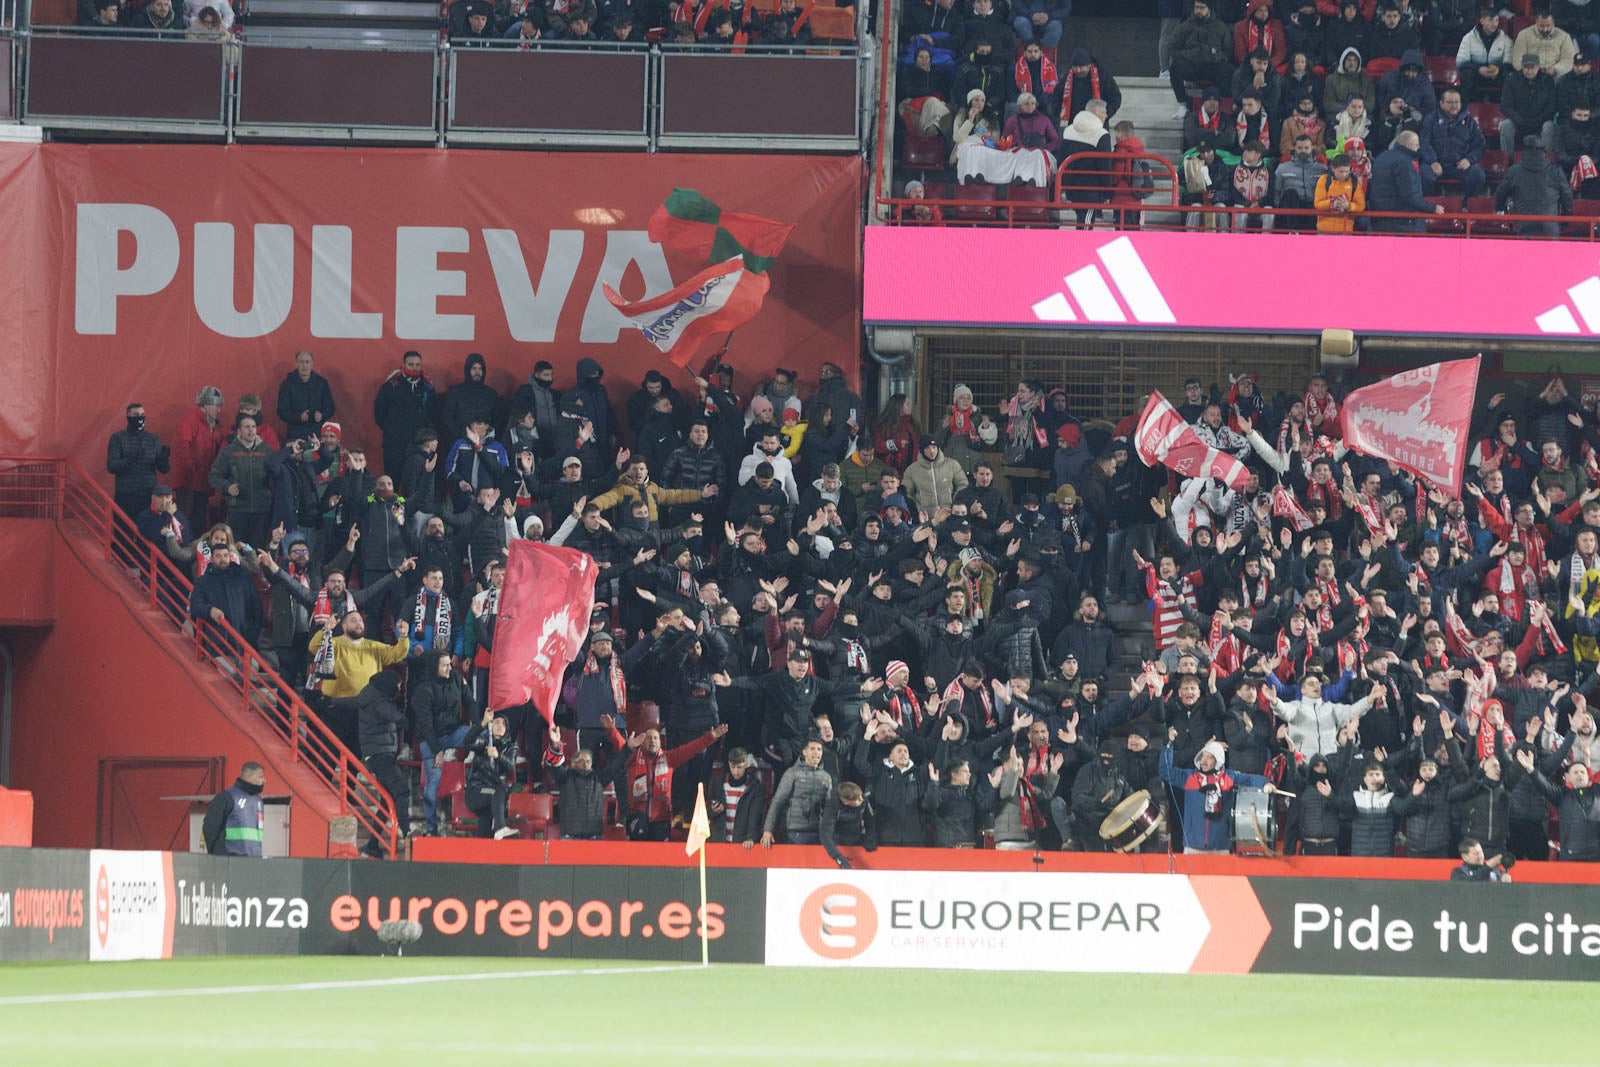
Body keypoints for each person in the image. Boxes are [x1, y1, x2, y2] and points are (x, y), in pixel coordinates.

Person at [1159, 735, 1278, 853]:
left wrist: (1266, 783)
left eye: (1209, 757)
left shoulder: (1229, 777)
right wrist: (1168, 745)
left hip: (1221, 847)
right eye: (1202, 756)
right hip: (1193, 846)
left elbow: (1249, 779)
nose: (1204, 760)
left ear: (1218, 760)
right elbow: (1165, 771)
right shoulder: (1189, 777)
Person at [409, 649, 477, 835]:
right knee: (433, 783)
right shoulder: (422, 690)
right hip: (431, 738)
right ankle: (431, 828)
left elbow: (470, 702)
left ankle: (473, 782)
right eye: (445, 665)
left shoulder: (456, 678)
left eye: (450, 664)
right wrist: (437, 750)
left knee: (484, 738)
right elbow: (425, 725)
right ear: (434, 667)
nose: (450, 668)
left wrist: (479, 725)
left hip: (454, 731)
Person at [373, 350, 437, 479]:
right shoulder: (391, 386)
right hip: (394, 444)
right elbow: (379, 412)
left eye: (417, 365)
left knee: (416, 482)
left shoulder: (427, 387)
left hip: (418, 444)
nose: (415, 368)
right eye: (411, 364)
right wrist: (391, 430)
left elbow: (432, 414)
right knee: (393, 479)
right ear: (404, 365)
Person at [1418, 87, 1488, 201]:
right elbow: (1424, 142)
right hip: (1435, 163)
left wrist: (1469, 160)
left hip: (1458, 164)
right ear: (1441, 104)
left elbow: (1479, 145)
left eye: (1456, 102)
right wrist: (1432, 161)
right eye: (1450, 102)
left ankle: (1467, 205)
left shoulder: (1470, 122)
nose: (1454, 105)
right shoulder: (1430, 119)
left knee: (1477, 175)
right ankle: (1429, 205)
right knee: (1423, 175)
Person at [1169, 0, 1236, 116]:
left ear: (1209, 9)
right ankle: (1183, 104)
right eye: (1196, 7)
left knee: (1229, 70)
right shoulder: (1185, 26)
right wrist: (1189, 54)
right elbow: (1172, 48)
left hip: (1213, 66)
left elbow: (1227, 51)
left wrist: (1215, 55)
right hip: (1192, 65)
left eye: (1202, 8)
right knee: (1175, 68)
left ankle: (1219, 105)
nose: (1198, 11)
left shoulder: (1220, 26)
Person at [107, 401, 171, 519]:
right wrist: (131, 459)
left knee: (146, 528)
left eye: (142, 414)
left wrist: (164, 459)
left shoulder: (153, 439)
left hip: (148, 494)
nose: (140, 417)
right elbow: (111, 466)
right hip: (126, 495)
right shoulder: (118, 438)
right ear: (128, 416)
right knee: (123, 529)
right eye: (136, 415)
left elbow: (163, 469)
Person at [172, 386, 226, 526]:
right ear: (206, 405)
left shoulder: (215, 426)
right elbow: (182, 448)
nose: (219, 410)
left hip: (203, 483)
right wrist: (191, 471)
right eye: (217, 406)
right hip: (189, 483)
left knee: (199, 522)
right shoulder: (190, 421)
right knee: (186, 521)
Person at [1495, 140, 1573, 234]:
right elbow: (1567, 197)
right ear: (1544, 152)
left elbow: (1500, 194)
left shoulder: (1514, 171)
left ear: (1524, 151)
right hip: (1550, 227)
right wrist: (1565, 219)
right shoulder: (1556, 171)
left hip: (1524, 225)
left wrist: (1499, 208)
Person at [1369, 129, 1442, 230]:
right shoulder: (1405, 163)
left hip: (1378, 219)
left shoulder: (1381, 156)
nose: (1418, 148)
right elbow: (1409, 195)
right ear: (1408, 145)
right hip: (1402, 221)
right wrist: (1432, 208)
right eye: (1417, 145)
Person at [464, 710, 519, 838]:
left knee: (485, 831)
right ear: (491, 726)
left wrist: (497, 756)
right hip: (476, 791)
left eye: (503, 724)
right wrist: (483, 722)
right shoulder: (483, 743)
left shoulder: (511, 747)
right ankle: (500, 828)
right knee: (498, 790)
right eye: (497, 722)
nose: (500, 726)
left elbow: (510, 766)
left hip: (492, 798)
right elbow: (467, 741)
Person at [202, 762, 266, 856]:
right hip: (230, 859)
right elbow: (210, 827)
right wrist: (217, 856)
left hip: (254, 859)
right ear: (249, 777)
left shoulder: (258, 800)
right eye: (260, 777)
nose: (264, 781)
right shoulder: (227, 797)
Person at [1501, 53, 1559, 154]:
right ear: (1522, 67)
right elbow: (1506, 106)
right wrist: (1520, 120)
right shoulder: (1512, 79)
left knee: (1549, 126)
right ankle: (1507, 159)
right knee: (1506, 125)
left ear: (1538, 67)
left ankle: (1546, 158)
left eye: (1533, 68)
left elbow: (1551, 105)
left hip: (1540, 121)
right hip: (1518, 121)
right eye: (1526, 67)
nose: (1529, 71)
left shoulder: (1547, 80)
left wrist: (1538, 120)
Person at [275, 350, 336, 444]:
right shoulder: (287, 385)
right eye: (301, 362)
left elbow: (330, 408)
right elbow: (281, 411)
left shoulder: (322, 383)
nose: (304, 365)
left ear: (312, 364)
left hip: (318, 433)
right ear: (296, 364)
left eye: (307, 362)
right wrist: (298, 417)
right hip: (295, 434)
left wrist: (322, 415)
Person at [1457, 7, 1512, 100]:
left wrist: (1498, 69)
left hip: (1496, 75)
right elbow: (1461, 62)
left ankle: (1501, 105)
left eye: (1496, 20)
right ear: (1482, 21)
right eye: (1490, 20)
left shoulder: (1505, 39)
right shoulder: (1468, 38)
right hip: (1476, 74)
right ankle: (1469, 105)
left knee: (1509, 75)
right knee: (1465, 75)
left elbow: (1509, 62)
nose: (1494, 24)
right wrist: (1478, 69)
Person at [1061, 49, 1122, 124]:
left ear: (1089, 65)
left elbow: (1115, 97)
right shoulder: (1067, 78)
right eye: (1075, 67)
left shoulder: (1103, 76)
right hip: (1074, 124)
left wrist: (1105, 113)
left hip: (1098, 124)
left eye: (1081, 67)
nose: (1078, 70)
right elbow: (1056, 97)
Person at [1314, 152, 1366, 231]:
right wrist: (1332, 203)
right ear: (1333, 169)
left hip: (1346, 229)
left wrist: (1348, 206)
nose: (1344, 174)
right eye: (1341, 171)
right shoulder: (1323, 180)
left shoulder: (1354, 182)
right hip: (1324, 228)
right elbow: (1317, 204)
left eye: (1347, 171)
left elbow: (1361, 205)